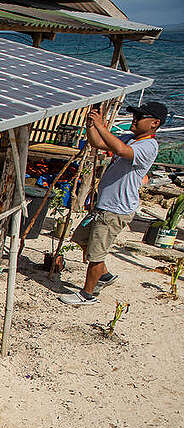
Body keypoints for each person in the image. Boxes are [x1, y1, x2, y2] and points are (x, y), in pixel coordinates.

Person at [60, 101, 165, 306]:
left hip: (116, 208)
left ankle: (88, 294)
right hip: (105, 204)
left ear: (154, 123)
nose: (134, 119)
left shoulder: (149, 145)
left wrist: (101, 125)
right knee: (81, 238)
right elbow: (98, 143)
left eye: (140, 117)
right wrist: (92, 125)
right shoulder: (131, 138)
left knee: (95, 253)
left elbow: (121, 150)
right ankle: (105, 276)